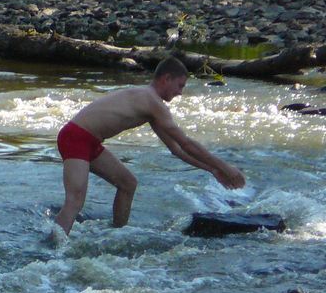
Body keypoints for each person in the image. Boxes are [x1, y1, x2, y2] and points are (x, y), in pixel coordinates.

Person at [55, 56, 245, 235]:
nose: (180, 92)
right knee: (75, 201)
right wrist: (225, 166)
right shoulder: (151, 100)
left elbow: (176, 150)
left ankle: (116, 233)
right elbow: (186, 143)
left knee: (128, 183)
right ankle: (50, 250)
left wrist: (212, 169)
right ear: (166, 78)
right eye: (179, 86)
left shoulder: (151, 106)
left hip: (90, 141)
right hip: (76, 137)